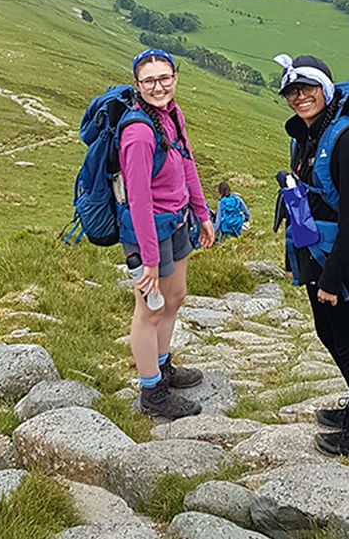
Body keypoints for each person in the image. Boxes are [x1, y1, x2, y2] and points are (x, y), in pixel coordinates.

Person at [277, 54, 349, 458]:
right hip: (315, 252)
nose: (299, 96)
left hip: (344, 261)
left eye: (307, 88)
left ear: (326, 88)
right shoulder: (306, 135)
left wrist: (331, 278)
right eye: (292, 90)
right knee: (329, 334)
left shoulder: (347, 140)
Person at [120, 49, 216, 419]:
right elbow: (139, 199)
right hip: (149, 232)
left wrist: (201, 212)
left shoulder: (172, 114)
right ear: (137, 85)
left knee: (175, 296)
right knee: (149, 309)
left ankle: (163, 367)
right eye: (150, 81)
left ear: (175, 78)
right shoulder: (138, 133)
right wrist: (148, 257)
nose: (158, 86)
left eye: (165, 78)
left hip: (176, 221)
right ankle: (151, 393)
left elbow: (186, 162)